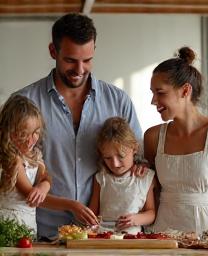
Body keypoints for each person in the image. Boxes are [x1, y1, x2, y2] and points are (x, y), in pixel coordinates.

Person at [16, 13, 142, 239]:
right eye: (71, 60)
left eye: (88, 60)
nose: (80, 69)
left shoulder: (118, 101)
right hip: (40, 234)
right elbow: (8, 165)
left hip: (103, 236)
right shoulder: (24, 103)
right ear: (53, 51)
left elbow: (138, 158)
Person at [144, 46, 208, 235]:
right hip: (162, 237)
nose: (153, 100)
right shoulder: (152, 137)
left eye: (160, 92)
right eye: (152, 93)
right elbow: (150, 191)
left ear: (185, 91)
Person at [89, 117, 155, 235]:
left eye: (121, 156)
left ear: (134, 148)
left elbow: (151, 213)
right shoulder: (101, 178)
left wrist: (136, 219)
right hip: (103, 236)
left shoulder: (144, 177)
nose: (115, 164)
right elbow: (92, 213)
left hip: (132, 238)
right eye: (108, 158)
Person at [0, 95, 51, 234]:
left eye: (35, 133)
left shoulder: (34, 155)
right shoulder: (12, 160)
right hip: (9, 227)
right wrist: (72, 205)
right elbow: (31, 196)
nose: (30, 141)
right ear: (8, 132)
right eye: (23, 134)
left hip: (28, 227)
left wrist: (44, 186)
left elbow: (46, 177)